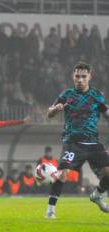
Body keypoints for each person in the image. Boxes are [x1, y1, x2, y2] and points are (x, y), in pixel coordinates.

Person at [45, 61, 109, 219]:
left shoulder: (96, 95)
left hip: (93, 142)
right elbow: (49, 114)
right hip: (72, 142)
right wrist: (55, 109)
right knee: (62, 174)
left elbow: (106, 113)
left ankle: (97, 195)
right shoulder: (66, 95)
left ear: (89, 77)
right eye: (77, 76)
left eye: (83, 76)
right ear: (73, 77)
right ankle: (50, 210)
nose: (80, 80)